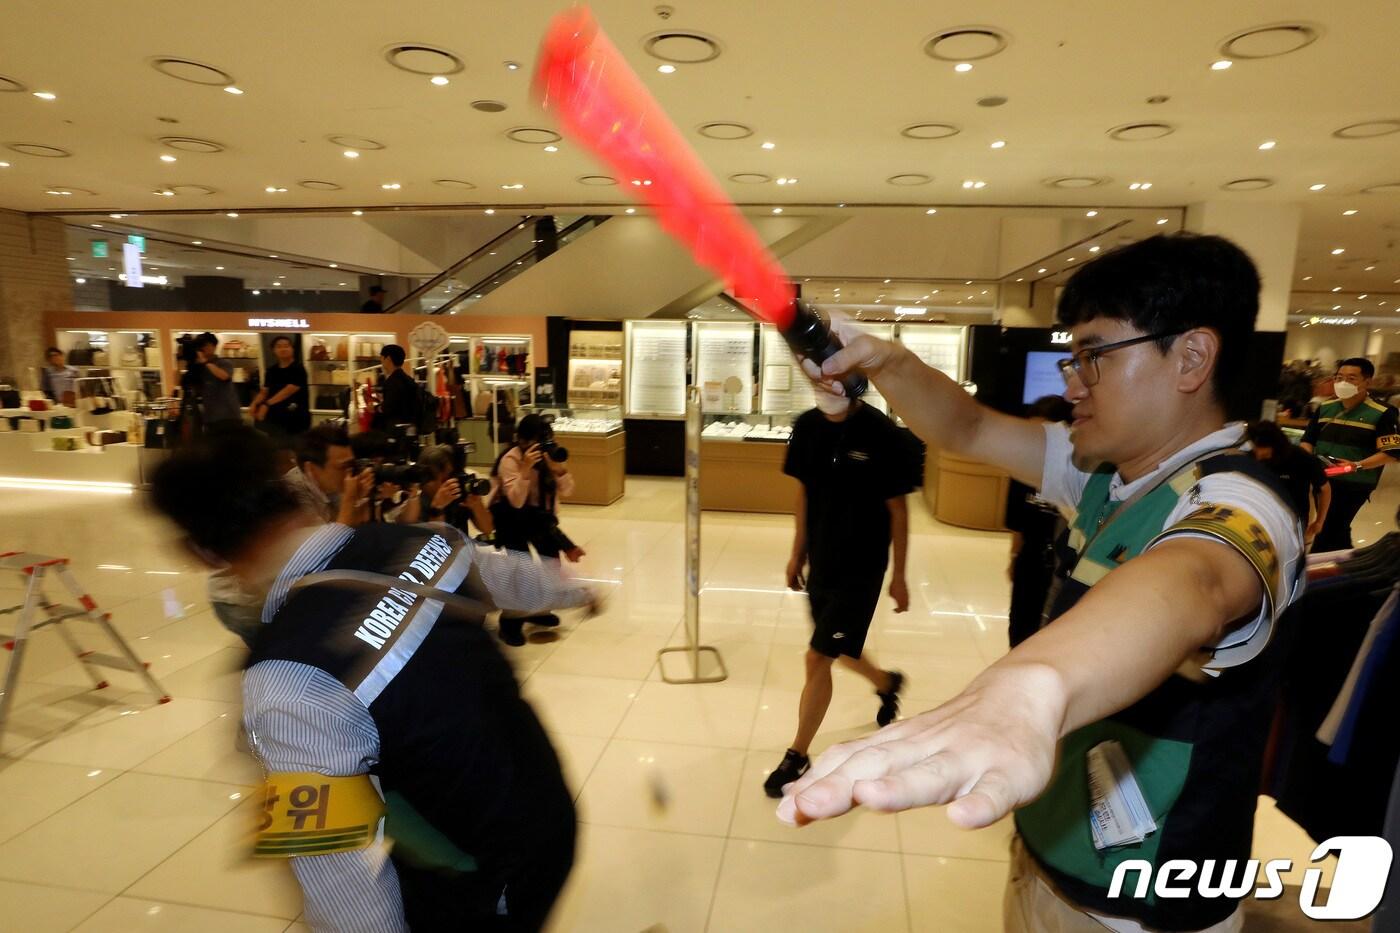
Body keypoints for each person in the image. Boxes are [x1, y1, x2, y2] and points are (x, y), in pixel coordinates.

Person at [778, 233, 1304, 933]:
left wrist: (1031, 685)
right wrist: (884, 360)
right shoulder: (1106, 473)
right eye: (1073, 356)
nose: (1071, 380)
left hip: (1139, 910)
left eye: (1094, 355)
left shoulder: (1248, 503)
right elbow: (964, 426)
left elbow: (1198, 581)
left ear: (1192, 357)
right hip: (1049, 861)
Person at [149, 427, 595, 931]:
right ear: (292, 488)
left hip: (481, 867)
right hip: (545, 803)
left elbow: (334, 871)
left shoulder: (287, 681)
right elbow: (504, 576)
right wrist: (574, 592)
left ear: (204, 555)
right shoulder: (424, 541)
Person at [762, 392, 916, 798]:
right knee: (840, 650)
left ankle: (798, 754)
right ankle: (886, 682)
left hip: (862, 567)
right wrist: (797, 553)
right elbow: (804, 494)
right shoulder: (807, 426)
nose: (822, 382)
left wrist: (899, 575)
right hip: (822, 561)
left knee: (818, 656)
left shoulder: (882, 433)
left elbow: (898, 509)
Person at [490, 414, 583, 646]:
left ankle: (539, 610)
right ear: (521, 441)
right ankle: (510, 624)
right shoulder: (510, 460)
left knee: (551, 564)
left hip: (540, 521)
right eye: (535, 441)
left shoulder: (548, 458)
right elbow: (516, 502)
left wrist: (558, 470)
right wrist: (525, 470)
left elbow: (569, 491)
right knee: (520, 572)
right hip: (512, 521)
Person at [1300, 357, 1400, 552]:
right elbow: (1308, 440)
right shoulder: (1326, 408)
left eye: (1352, 378)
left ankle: (1322, 571)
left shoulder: (1383, 412)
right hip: (1322, 479)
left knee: (1330, 527)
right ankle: (1345, 567)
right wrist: (1308, 463)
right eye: (1339, 377)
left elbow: (1392, 453)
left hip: (1355, 482)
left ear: (1367, 382)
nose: (1343, 383)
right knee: (1334, 529)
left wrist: (1356, 465)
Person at [1005, 395, 1074, 648]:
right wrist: (1014, 558)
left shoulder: (1081, 473)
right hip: (1031, 561)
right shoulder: (1023, 467)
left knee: (1051, 635)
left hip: (1064, 568)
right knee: (1020, 631)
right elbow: (1018, 522)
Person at [1245, 419, 1330, 547]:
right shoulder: (1250, 455)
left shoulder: (1302, 458)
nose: (1257, 455)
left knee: (1289, 553)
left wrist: (1319, 521)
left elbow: (1325, 489)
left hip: (1293, 517)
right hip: (1260, 514)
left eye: (1263, 452)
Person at [283, 423, 360, 524]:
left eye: (351, 465)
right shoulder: (292, 494)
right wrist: (350, 499)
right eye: (343, 467)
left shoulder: (330, 484)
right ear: (311, 469)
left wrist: (360, 498)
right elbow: (328, 539)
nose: (350, 473)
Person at [251, 336, 310, 438]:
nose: (283, 349)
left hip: (296, 418)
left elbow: (289, 390)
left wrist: (266, 404)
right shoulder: (271, 370)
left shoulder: (298, 369)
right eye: (279, 346)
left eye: (287, 346)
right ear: (273, 350)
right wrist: (254, 404)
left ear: (292, 349)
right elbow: (264, 391)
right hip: (275, 419)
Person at [194, 332, 243, 429]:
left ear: (214, 346)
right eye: (201, 346)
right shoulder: (199, 367)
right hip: (210, 416)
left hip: (228, 415)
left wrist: (205, 362)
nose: (203, 348)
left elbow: (224, 376)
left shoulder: (224, 362)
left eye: (206, 345)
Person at [375, 344, 419, 431]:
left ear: (388, 359)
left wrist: (376, 408)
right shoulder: (408, 379)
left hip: (396, 430)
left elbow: (387, 408)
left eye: (382, 358)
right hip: (411, 427)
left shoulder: (392, 381)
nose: (381, 361)